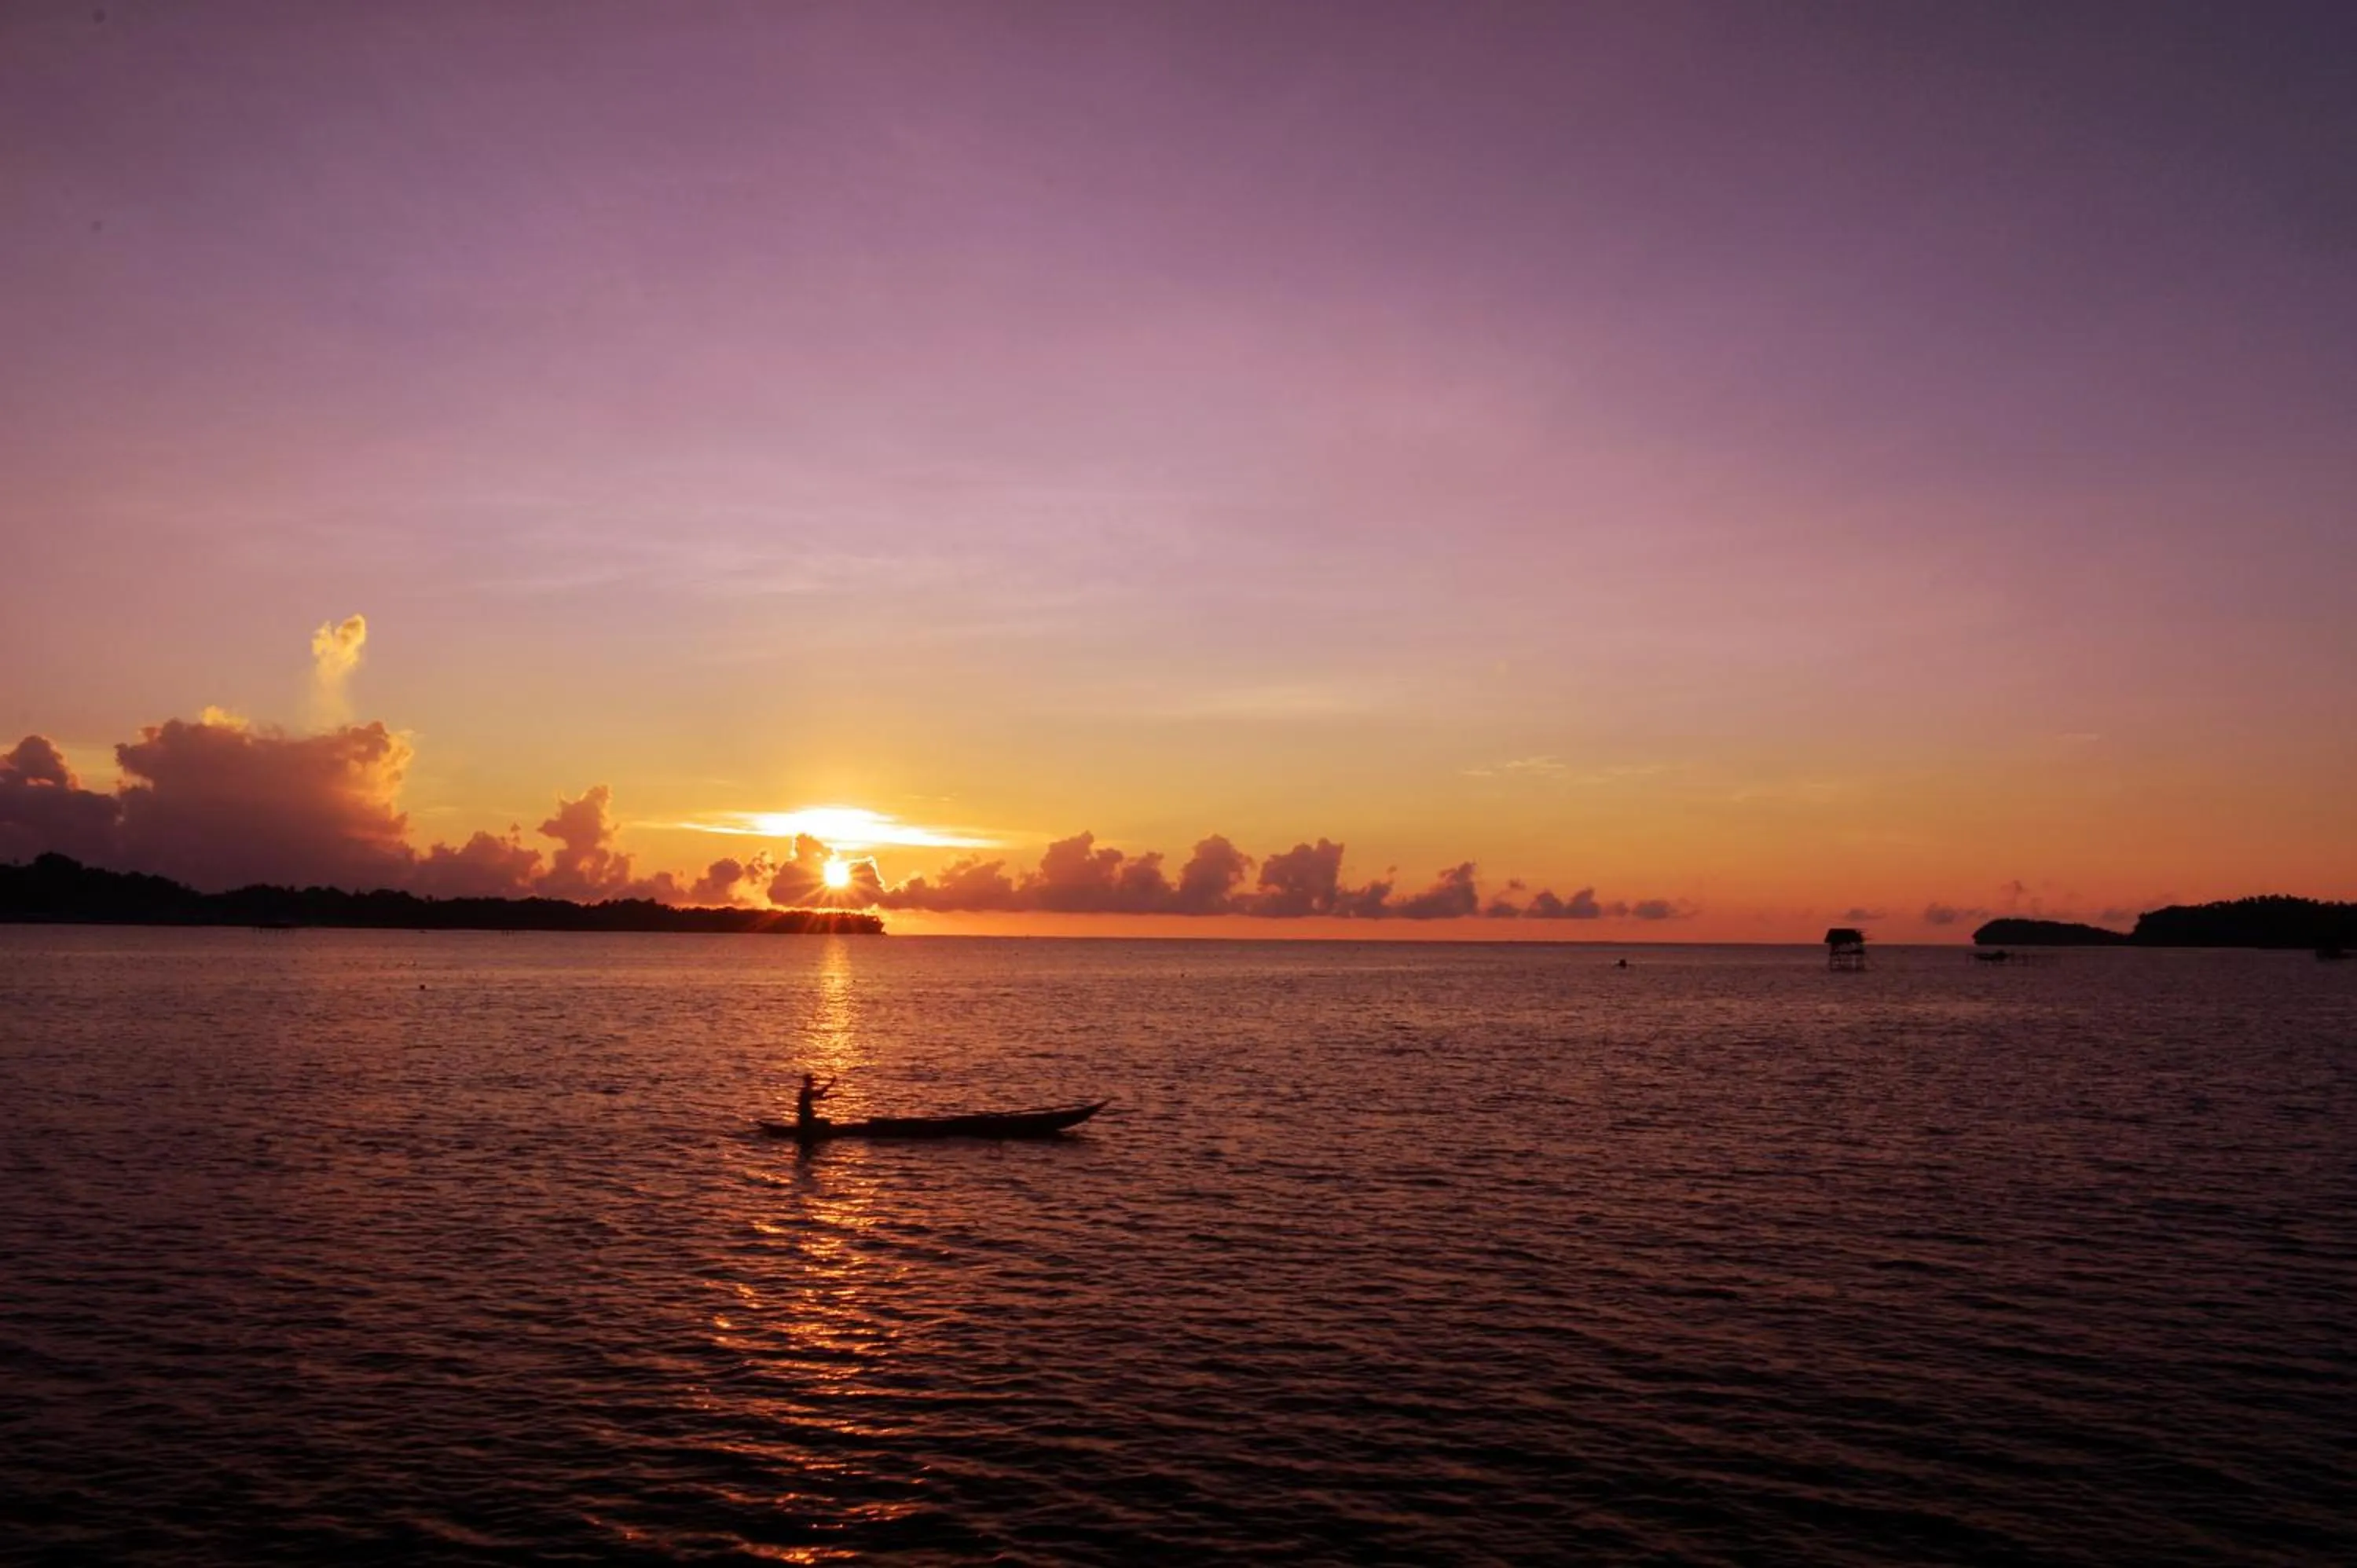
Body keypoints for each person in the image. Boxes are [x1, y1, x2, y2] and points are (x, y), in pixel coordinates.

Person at [794, 1072, 835, 1136]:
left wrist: (834, 1096)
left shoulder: (807, 1091)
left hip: (808, 1119)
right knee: (825, 1122)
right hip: (806, 1121)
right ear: (809, 1082)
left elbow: (821, 1097)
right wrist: (831, 1083)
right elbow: (820, 1093)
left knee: (825, 1122)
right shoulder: (806, 1091)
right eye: (811, 1081)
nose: (813, 1082)